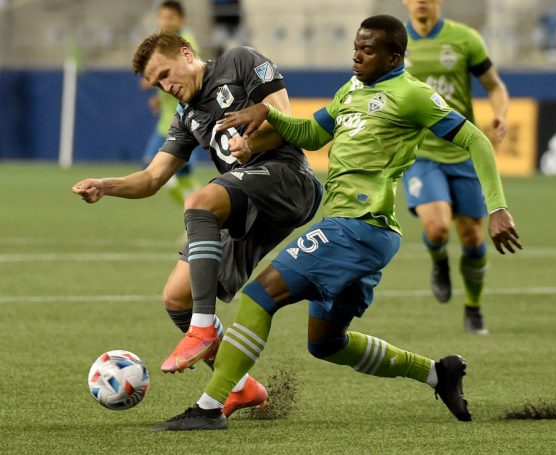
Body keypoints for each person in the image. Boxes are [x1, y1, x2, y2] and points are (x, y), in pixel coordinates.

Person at [151, 15, 522, 431]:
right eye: (355, 48)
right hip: (357, 230)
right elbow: (310, 134)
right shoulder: (351, 90)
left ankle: (209, 407)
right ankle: (439, 373)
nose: (357, 56)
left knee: (258, 298)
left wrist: (497, 207)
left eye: (368, 50)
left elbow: (474, 139)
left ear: (394, 56)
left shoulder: (412, 95)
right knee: (326, 343)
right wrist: (263, 115)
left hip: (358, 225)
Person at [72, 31, 322, 416]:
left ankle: (203, 328)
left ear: (187, 54)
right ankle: (240, 388)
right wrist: (105, 186)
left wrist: (253, 144)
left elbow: (285, 118)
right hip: (248, 201)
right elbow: (153, 178)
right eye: (158, 83)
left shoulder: (239, 62)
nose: (166, 86)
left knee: (199, 200)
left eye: (167, 74)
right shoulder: (187, 116)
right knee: (176, 297)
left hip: (289, 179)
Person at [400, 0, 510, 334]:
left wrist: (500, 115)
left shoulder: (465, 39)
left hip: (462, 152)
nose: (421, 2)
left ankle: (473, 307)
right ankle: (438, 262)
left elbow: (494, 85)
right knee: (437, 229)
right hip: (421, 154)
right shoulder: (394, 44)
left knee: (473, 237)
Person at [141, 1, 202, 205]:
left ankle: (199, 210)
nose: (164, 22)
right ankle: (200, 210)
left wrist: (153, 80)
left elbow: (189, 80)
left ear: (181, 20)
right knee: (175, 173)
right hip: (166, 122)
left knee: (156, 169)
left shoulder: (185, 44)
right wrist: (159, 98)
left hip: (181, 122)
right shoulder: (163, 42)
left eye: (170, 18)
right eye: (161, 17)